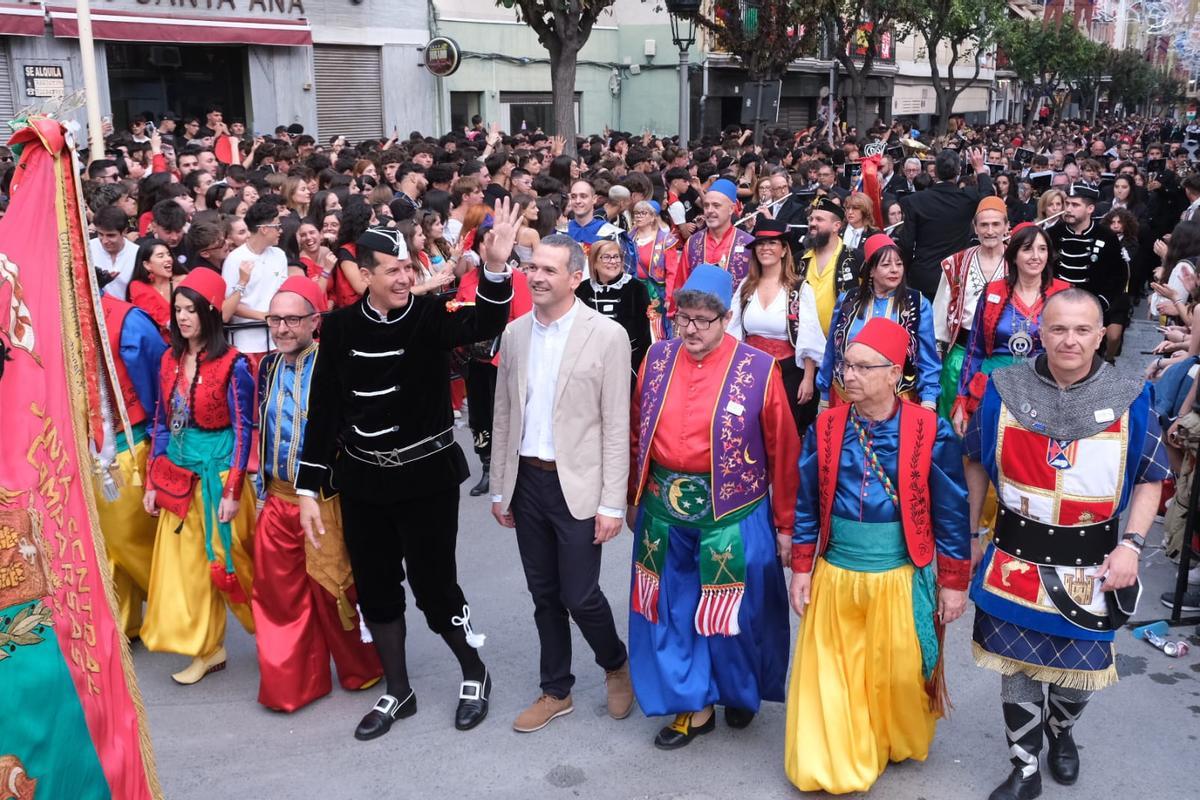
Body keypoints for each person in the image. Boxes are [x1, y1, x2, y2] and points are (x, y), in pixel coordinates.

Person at [295, 202, 519, 741]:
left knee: (435, 585)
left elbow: (487, 321)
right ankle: (399, 689)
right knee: (376, 588)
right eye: (391, 270)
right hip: (364, 481)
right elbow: (324, 409)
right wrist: (308, 487)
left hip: (426, 479)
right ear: (364, 274)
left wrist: (494, 267)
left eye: (407, 269)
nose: (403, 277)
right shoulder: (341, 326)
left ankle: (473, 669)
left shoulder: (428, 317)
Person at [964, 289, 1168, 800]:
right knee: (1015, 669)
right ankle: (1025, 768)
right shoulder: (1004, 387)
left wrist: (1132, 546)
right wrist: (969, 533)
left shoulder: (1130, 393)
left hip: (1093, 564)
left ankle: (1062, 730)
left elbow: (1150, 476)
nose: (1069, 340)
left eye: (1082, 330)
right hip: (1013, 557)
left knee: (1078, 674)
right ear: (1041, 332)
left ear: (1101, 335)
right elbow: (974, 461)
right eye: (1058, 329)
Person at [784, 317, 971, 795]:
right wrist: (802, 568)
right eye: (846, 365)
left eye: (864, 368)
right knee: (833, 672)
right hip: (836, 573)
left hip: (900, 574)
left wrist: (953, 581)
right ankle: (837, 760)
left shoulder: (931, 428)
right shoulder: (826, 427)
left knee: (897, 672)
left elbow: (951, 511)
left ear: (895, 373)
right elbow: (806, 503)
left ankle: (889, 736)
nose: (849, 376)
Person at [626, 264, 800, 749]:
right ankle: (693, 704)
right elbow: (637, 430)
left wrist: (786, 526)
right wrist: (631, 496)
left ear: (727, 318)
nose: (692, 330)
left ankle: (738, 692)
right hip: (664, 512)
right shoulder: (656, 360)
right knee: (673, 610)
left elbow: (784, 451)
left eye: (704, 319)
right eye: (684, 318)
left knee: (737, 614)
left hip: (734, 514)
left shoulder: (759, 369)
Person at [490, 233, 634, 733]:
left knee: (580, 594)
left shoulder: (608, 335)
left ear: (577, 277)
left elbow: (617, 425)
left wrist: (612, 504)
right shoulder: (515, 334)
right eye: (532, 267)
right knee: (544, 594)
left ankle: (616, 662)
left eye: (549, 270)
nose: (536, 276)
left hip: (579, 485)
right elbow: (504, 413)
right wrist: (500, 487)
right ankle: (556, 689)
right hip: (528, 481)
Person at [251, 277, 383, 713]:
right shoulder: (267, 367)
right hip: (277, 499)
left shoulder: (336, 363)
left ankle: (361, 667)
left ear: (314, 320)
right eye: (275, 318)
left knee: (335, 592)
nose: (282, 327)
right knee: (278, 598)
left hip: (325, 499)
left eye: (292, 318)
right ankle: (293, 683)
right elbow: (260, 430)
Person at [141, 268, 257, 685]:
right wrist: (152, 482)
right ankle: (208, 649)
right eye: (178, 309)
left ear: (210, 312)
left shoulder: (234, 364)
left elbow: (244, 429)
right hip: (179, 477)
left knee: (235, 564)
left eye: (191, 309)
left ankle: (275, 632)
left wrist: (232, 490)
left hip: (220, 476)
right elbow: (160, 419)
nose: (183, 317)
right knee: (191, 571)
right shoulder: (169, 360)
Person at [94, 286, 168, 638]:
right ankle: (122, 622)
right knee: (105, 545)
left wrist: (161, 440)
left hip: (126, 445)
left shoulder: (125, 319)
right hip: (87, 450)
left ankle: (174, 607)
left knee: (130, 540)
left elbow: (160, 376)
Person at [817, 233, 941, 408]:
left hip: (895, 402)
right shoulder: (848, 300)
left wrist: (929, 400)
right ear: (871, 270)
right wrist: (823, 394)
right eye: (885, 265)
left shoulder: (917, 303)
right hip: (846, 398)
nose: (894, 270)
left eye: (899, 264)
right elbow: (831, 349)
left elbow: (927, 357)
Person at [454, 227, 534, 497]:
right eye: (484, 243)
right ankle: (487, 465)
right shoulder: (467, 278)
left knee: (506, 413)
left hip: (503, 357)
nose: (488, 248)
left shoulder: (519, 279)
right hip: (474, 358)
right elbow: (458, 309)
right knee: (479, 414)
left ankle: (511, 465)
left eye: (495, 243)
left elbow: (523, 320)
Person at [729, 217, 826, 435]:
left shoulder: (799, 288)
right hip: (750, 372)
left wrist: (808, 379)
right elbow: (732, 330)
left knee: (784, 433)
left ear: (783, 250)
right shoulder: (746, 287)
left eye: (772, 243)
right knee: (750, 429)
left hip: (788, 373)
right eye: (761, 244)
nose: (765, 248)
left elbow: (809, 337)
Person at [932, 196, 1010, 419]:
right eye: (984, 225)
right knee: (954, 422)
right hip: (960, 356)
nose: (990, 231)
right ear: (975, 227)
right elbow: (939, 319)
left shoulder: (1018, 263)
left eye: (996, 224)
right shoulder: (955, 263)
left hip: (1003, 358)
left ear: (1006, 226)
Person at [896, 148, 994, 298]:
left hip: (925, 275)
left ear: (934, 171)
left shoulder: (915, 200)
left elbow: (907, 243)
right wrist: (980, 169)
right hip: (955, 275)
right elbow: (988, 194)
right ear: (958, 171)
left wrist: (905, 269)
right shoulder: (967, 198)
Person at [1046, 183, 1127, 357]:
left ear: (1090, 208)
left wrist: (1102, 302)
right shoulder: (1052, 234)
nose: (1068, 209)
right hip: (1058, 307)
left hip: (1092, 309)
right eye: (1067, 204)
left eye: (1075, 205)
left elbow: (1117, 276)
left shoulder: (1107, 237)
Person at [221, 200, 289, 360]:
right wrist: (261, 315)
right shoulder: (235, 259)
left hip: (277, 337)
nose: (281, 231)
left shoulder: (279, 255)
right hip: (247, 341)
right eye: (277, 226)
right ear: (264, 229)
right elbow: (229, 304)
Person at [575, 237, 652, 379]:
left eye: (616, 257)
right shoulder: (582, 289)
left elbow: (644, 336)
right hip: (588, 364)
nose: (613, 261)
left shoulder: (636, 288)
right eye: (606, 257)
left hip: (625, 363)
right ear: (594, 262)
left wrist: (635, 369)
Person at [799, 196, 858, 336]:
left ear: (836, 226)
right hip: (804, 342)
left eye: (819, 220)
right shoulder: (800, 259)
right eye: (811, 219)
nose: (812, 223)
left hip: (842, 340)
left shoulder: (855, 258)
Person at [680, 179, 755, 288]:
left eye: (716, 205)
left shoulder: (749, 244)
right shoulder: (693, 243)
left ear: (731, 209)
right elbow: (681, 284)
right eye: (706, 206)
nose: (709, 210)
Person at [627, 199, 681, 341]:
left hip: (655, 292)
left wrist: (670, 297)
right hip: (633, 289)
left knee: (655, 331)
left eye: (643, 213)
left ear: (652, 217)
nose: (638, 216)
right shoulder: (628, 238)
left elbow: (672, 272)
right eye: (636, 213)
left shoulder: (665, 240)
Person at [127, 238, 186, 339]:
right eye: (160, 256)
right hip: (159, 346)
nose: (168, 258)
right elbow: (156, 314)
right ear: (147, 265)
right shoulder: (138, 286)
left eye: (168, 254)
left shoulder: (185, 281)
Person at [92, 206, 139, 299]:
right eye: (100, 234)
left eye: (111, 235)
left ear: (124, 232)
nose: (105, 241)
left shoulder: (137, 252)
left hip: (125, 311)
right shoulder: (87, 249)